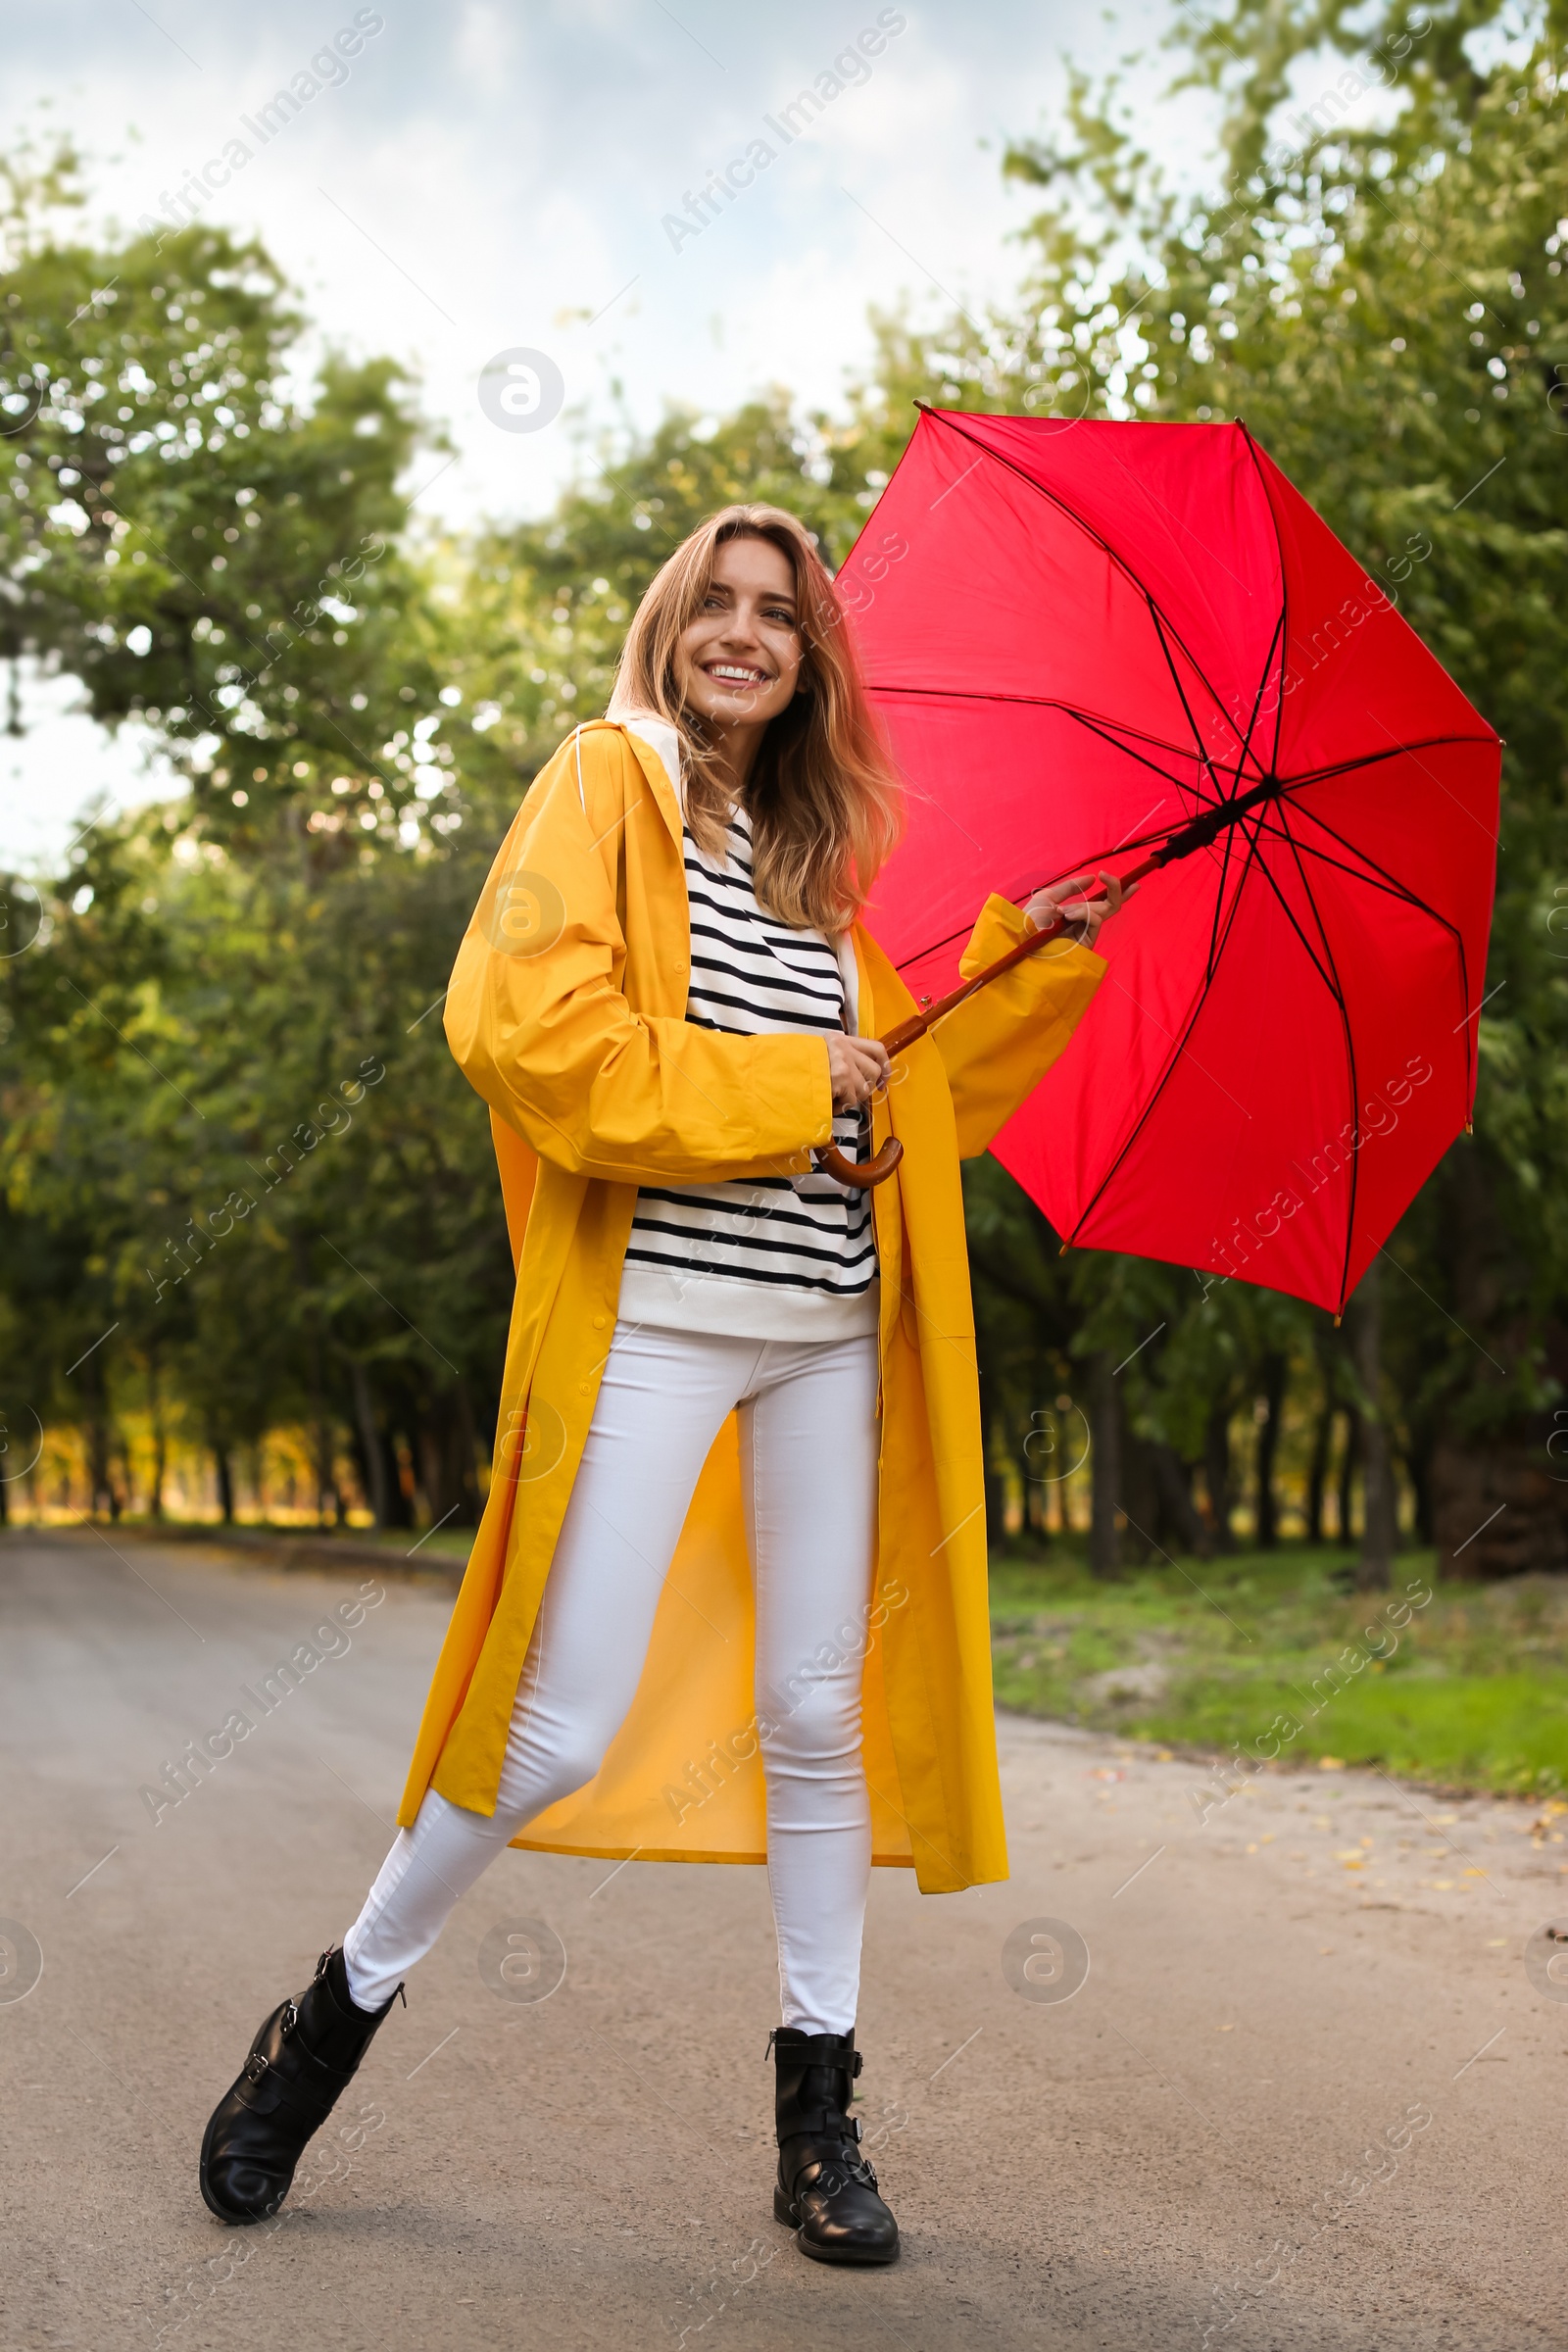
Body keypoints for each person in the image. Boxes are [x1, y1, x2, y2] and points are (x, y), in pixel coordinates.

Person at [199, 502, 1129, 2265]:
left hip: (826, 1338)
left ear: (809, 659)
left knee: (813, 1720)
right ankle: (328, 2017)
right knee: (552, 1726)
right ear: (670, 621)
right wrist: (792, 1083)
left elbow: (894, 1110)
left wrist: (1022, 959)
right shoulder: (600, 782)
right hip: (657, 1320)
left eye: (779, 614)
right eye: (718, 601)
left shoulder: (806, 865)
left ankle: (817, 2127)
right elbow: (530, 1034)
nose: (745, 633)